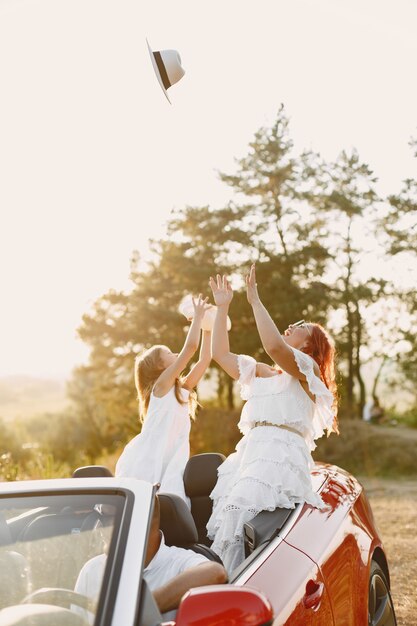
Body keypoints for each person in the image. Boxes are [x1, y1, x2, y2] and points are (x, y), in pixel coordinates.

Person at [206, 268, 339, 574]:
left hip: (279, 455)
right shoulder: (263, 372)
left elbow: (275, 347)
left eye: (300, 326)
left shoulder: (308, 370)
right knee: (229, 520)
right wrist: (223, 307)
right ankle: (220, 586)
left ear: (308, 346)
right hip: (251, 453)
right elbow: (220, 354)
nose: (291, 325)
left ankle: (233, 589)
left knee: (243, 516)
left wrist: (254, 300)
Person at [115, 295, 212, 505]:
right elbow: (190, 349)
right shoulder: (161, 387)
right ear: (160, 367)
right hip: (149, 459)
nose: (175, 353)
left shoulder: (180, 390)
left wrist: (207, 327)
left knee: (171, 508)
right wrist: (197, 317)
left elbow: (205, 359)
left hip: (172, 461)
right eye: (169, 353)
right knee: (147, 509)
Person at [73, 495, 227, 623]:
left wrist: (140, 608)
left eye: (105, 517)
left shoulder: (178, 563)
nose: (98, 527)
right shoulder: (92, 569)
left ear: (138, 523)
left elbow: (215, 572)